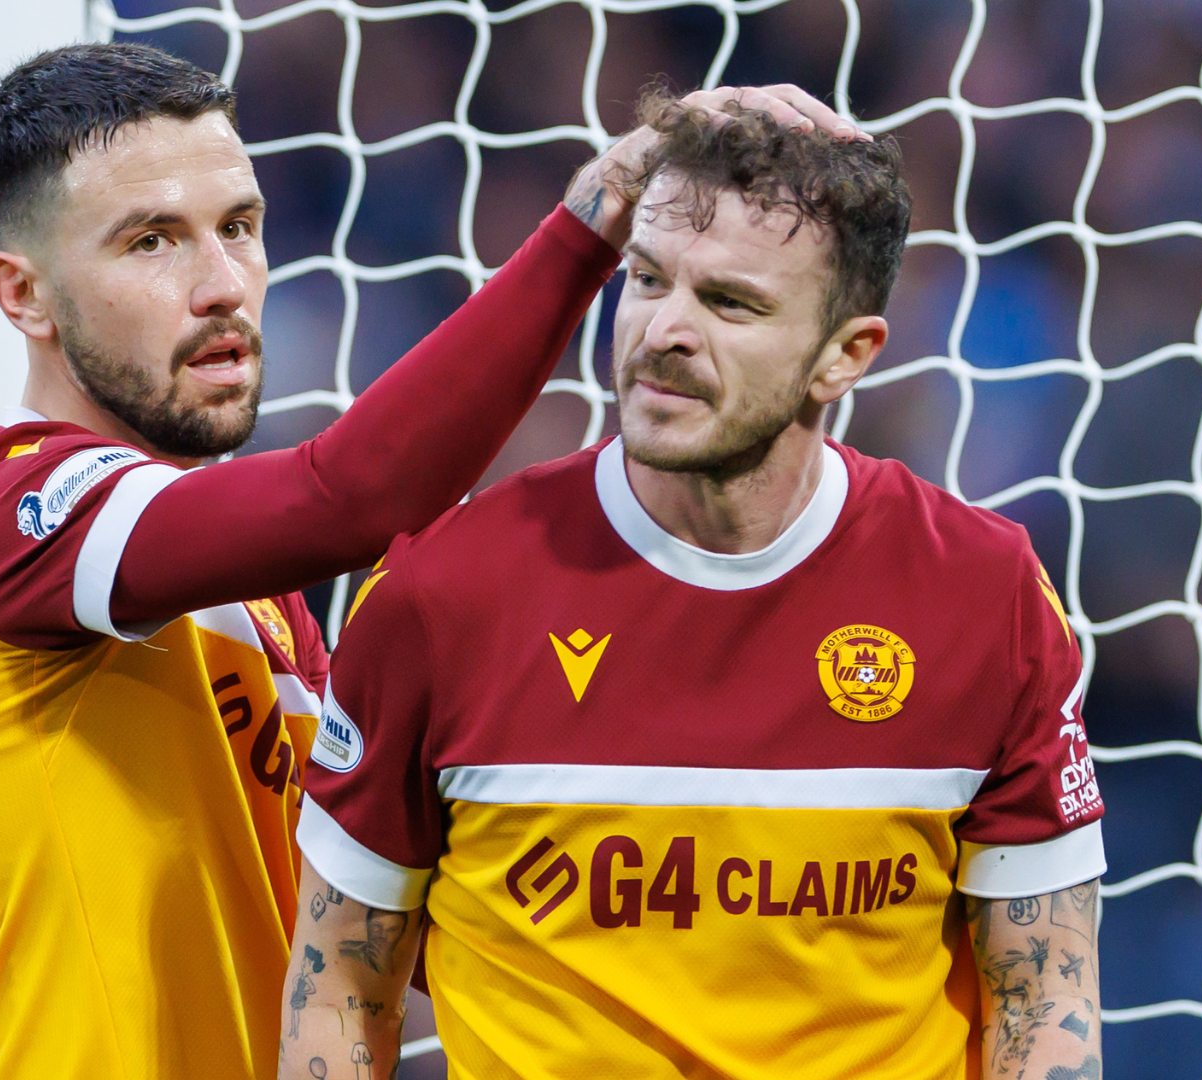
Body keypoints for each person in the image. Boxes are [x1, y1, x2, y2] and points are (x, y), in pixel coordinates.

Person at [0, 41, 859, 1079]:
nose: (220, 286)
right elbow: (354, 493)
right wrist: (596, 217)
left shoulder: (264, 615)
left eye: (238, 229)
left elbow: (408, 928)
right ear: (22, 295)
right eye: (151, 242)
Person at [286, 90, 1108, 1080]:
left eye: (729, 303)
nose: (664, 330)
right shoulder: (441, 596)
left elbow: (1044, 994)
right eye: (646, 280)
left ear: (844, 357)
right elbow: (337, 985)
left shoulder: (985, 595)